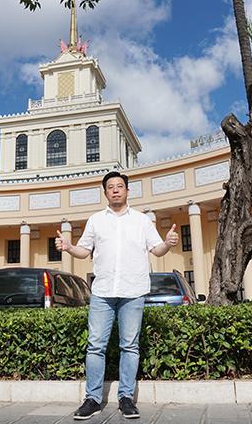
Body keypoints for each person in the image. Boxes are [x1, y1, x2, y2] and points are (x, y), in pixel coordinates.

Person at [55, 171, 179, 420]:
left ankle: (125, 398)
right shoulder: (96, 220)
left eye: (119, 186)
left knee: (129, 346)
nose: (115, 190)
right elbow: (84, 250)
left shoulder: (142, 221)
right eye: (110, 187)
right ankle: (92, 399)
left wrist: (168, 242)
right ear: (105, 193)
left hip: (133, 291)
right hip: (103, 292)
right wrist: (68, 248)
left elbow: (157, 250)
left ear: (127, 190)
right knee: (95, 346)